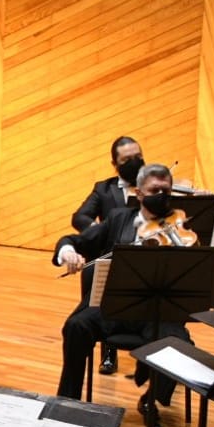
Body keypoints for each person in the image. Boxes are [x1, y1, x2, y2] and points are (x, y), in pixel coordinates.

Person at [51, 162, 192, 427]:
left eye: (166, 190)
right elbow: (75, 240)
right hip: (113, 307)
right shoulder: (118, 219)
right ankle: (67, 400)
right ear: (139, 193)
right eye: (154, 190)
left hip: (157, 313)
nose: (161, 196)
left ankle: (151, 399)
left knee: (179, 345)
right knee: (76, 326)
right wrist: (68, 251)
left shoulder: (180, 226)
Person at [72, 137, 145, 375]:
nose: (134, 163)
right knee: (97, 289)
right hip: (111, 259)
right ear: (115, 163)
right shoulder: (103, 189)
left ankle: (152, 361)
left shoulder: (154, 185)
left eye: (137, 157)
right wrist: (97, 232)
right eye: (127, 160)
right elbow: (80, 216)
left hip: (146, 260)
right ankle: (108, 353)